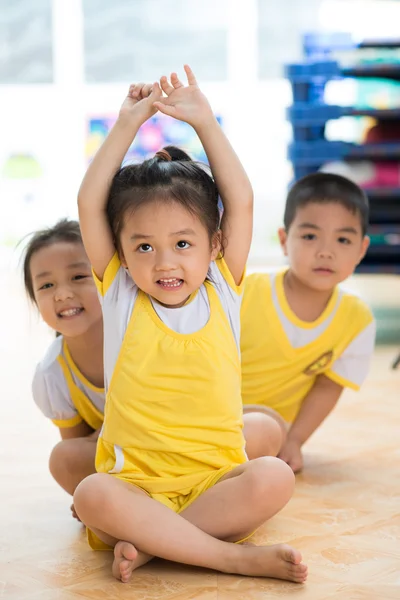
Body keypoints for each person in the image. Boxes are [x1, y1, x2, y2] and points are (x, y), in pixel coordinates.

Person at [73, 66, 308, 584]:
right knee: (92, 493)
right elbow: (90, 201)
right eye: (143, 247)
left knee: (272, 476)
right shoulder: (120, 290)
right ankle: (229, 557)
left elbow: (239, 198)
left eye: (183, 243)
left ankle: (156, 544)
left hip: (215, 481)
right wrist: (125, 126)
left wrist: (205, 123)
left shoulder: (223, 286)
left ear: (215, 244)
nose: (164, 264)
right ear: (122, 253)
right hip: (133, 484)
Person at [241, 172, 376, 473]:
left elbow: (328, 387)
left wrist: (295, 440)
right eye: (310, 236)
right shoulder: (246, 293)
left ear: (361, 250)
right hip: (205, 412)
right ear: (284, 240)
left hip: (264, 429)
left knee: (264, 439)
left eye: (343, 239)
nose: (326, 251)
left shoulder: (357, 320)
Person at [24, 219, 104, 515]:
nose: (62, 294)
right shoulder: (52, 374)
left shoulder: (141, 338)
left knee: (257, 423)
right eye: (46, 285)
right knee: (64, 459)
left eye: (79, 276)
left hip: (179, 446)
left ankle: (139, 518)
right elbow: (80, 449)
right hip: (129, 464)